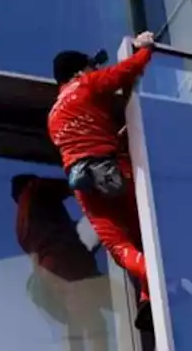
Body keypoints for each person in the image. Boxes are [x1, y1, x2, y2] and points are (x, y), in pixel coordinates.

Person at [48, 31, 156, 331]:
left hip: (85, 187)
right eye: (91, 67)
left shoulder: (53, 116)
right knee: (146, 234)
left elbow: (83, 140)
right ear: (80, 71)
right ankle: (159, 280)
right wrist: (145, 49)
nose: (94, 71)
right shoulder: (86, 84)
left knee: (121, 247)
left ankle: (148, 297)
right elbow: (125, 73)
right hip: (114, 172)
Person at [12, 174, 112, 351]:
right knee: (95, 317)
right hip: (67, 266)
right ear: (27, 183)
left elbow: (40, 249)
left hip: (54, 274)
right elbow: (72, 186)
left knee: (79, 320)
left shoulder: (21, 228)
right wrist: (97, 183)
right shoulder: (34, 189)